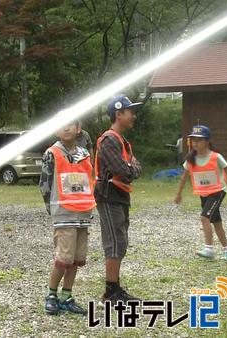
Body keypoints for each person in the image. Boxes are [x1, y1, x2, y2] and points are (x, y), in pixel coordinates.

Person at [39, 121, 96, 316]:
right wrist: (52, 208)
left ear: (79, 128)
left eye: (70, 124)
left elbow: (89, 180)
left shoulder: (85, 154)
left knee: (77, 259)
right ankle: (51, 295)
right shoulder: (51, 153)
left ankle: (67, 296)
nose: (66, 128)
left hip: (82, 213)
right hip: (63, 214)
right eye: (61, 124)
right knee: (63, 258)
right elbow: (44, 184)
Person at [94, 94, 143, 305]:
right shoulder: (109, 140)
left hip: (120, 196)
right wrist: (132, 167)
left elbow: (135, 169)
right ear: (118, 113)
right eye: (130, 111)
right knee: (115, 242)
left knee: (120, 241)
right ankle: (110, 291)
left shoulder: (122, 142)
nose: (134, 115)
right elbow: (123, 170)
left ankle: (114, 288)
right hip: (109, 195)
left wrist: (132, 168)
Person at [174, 125, 227, 260]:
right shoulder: (190, 159)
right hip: (204, 193)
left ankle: (209, 249)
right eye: (193, 140)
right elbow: (184, 177)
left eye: (199, 140)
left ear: (207, 141)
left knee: (204, 217)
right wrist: (179, 194)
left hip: (218, 192)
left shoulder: (216, 157)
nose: (195, 143)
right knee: (216, 222)